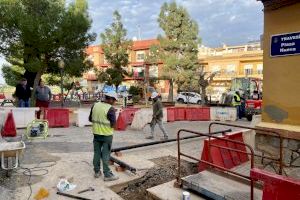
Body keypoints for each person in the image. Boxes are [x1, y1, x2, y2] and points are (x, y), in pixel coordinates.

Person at [88, 92, 119, 181]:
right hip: (106, 135)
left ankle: (97, 171)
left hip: (96, 134)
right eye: (114, 100)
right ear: (110, 99)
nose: (114, 102)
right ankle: (107, 174)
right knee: (106, 154)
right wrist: (112, 114)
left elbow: (90, 119)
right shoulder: (110, 109)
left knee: (97, 153)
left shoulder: (95, 105)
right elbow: (113, 125)